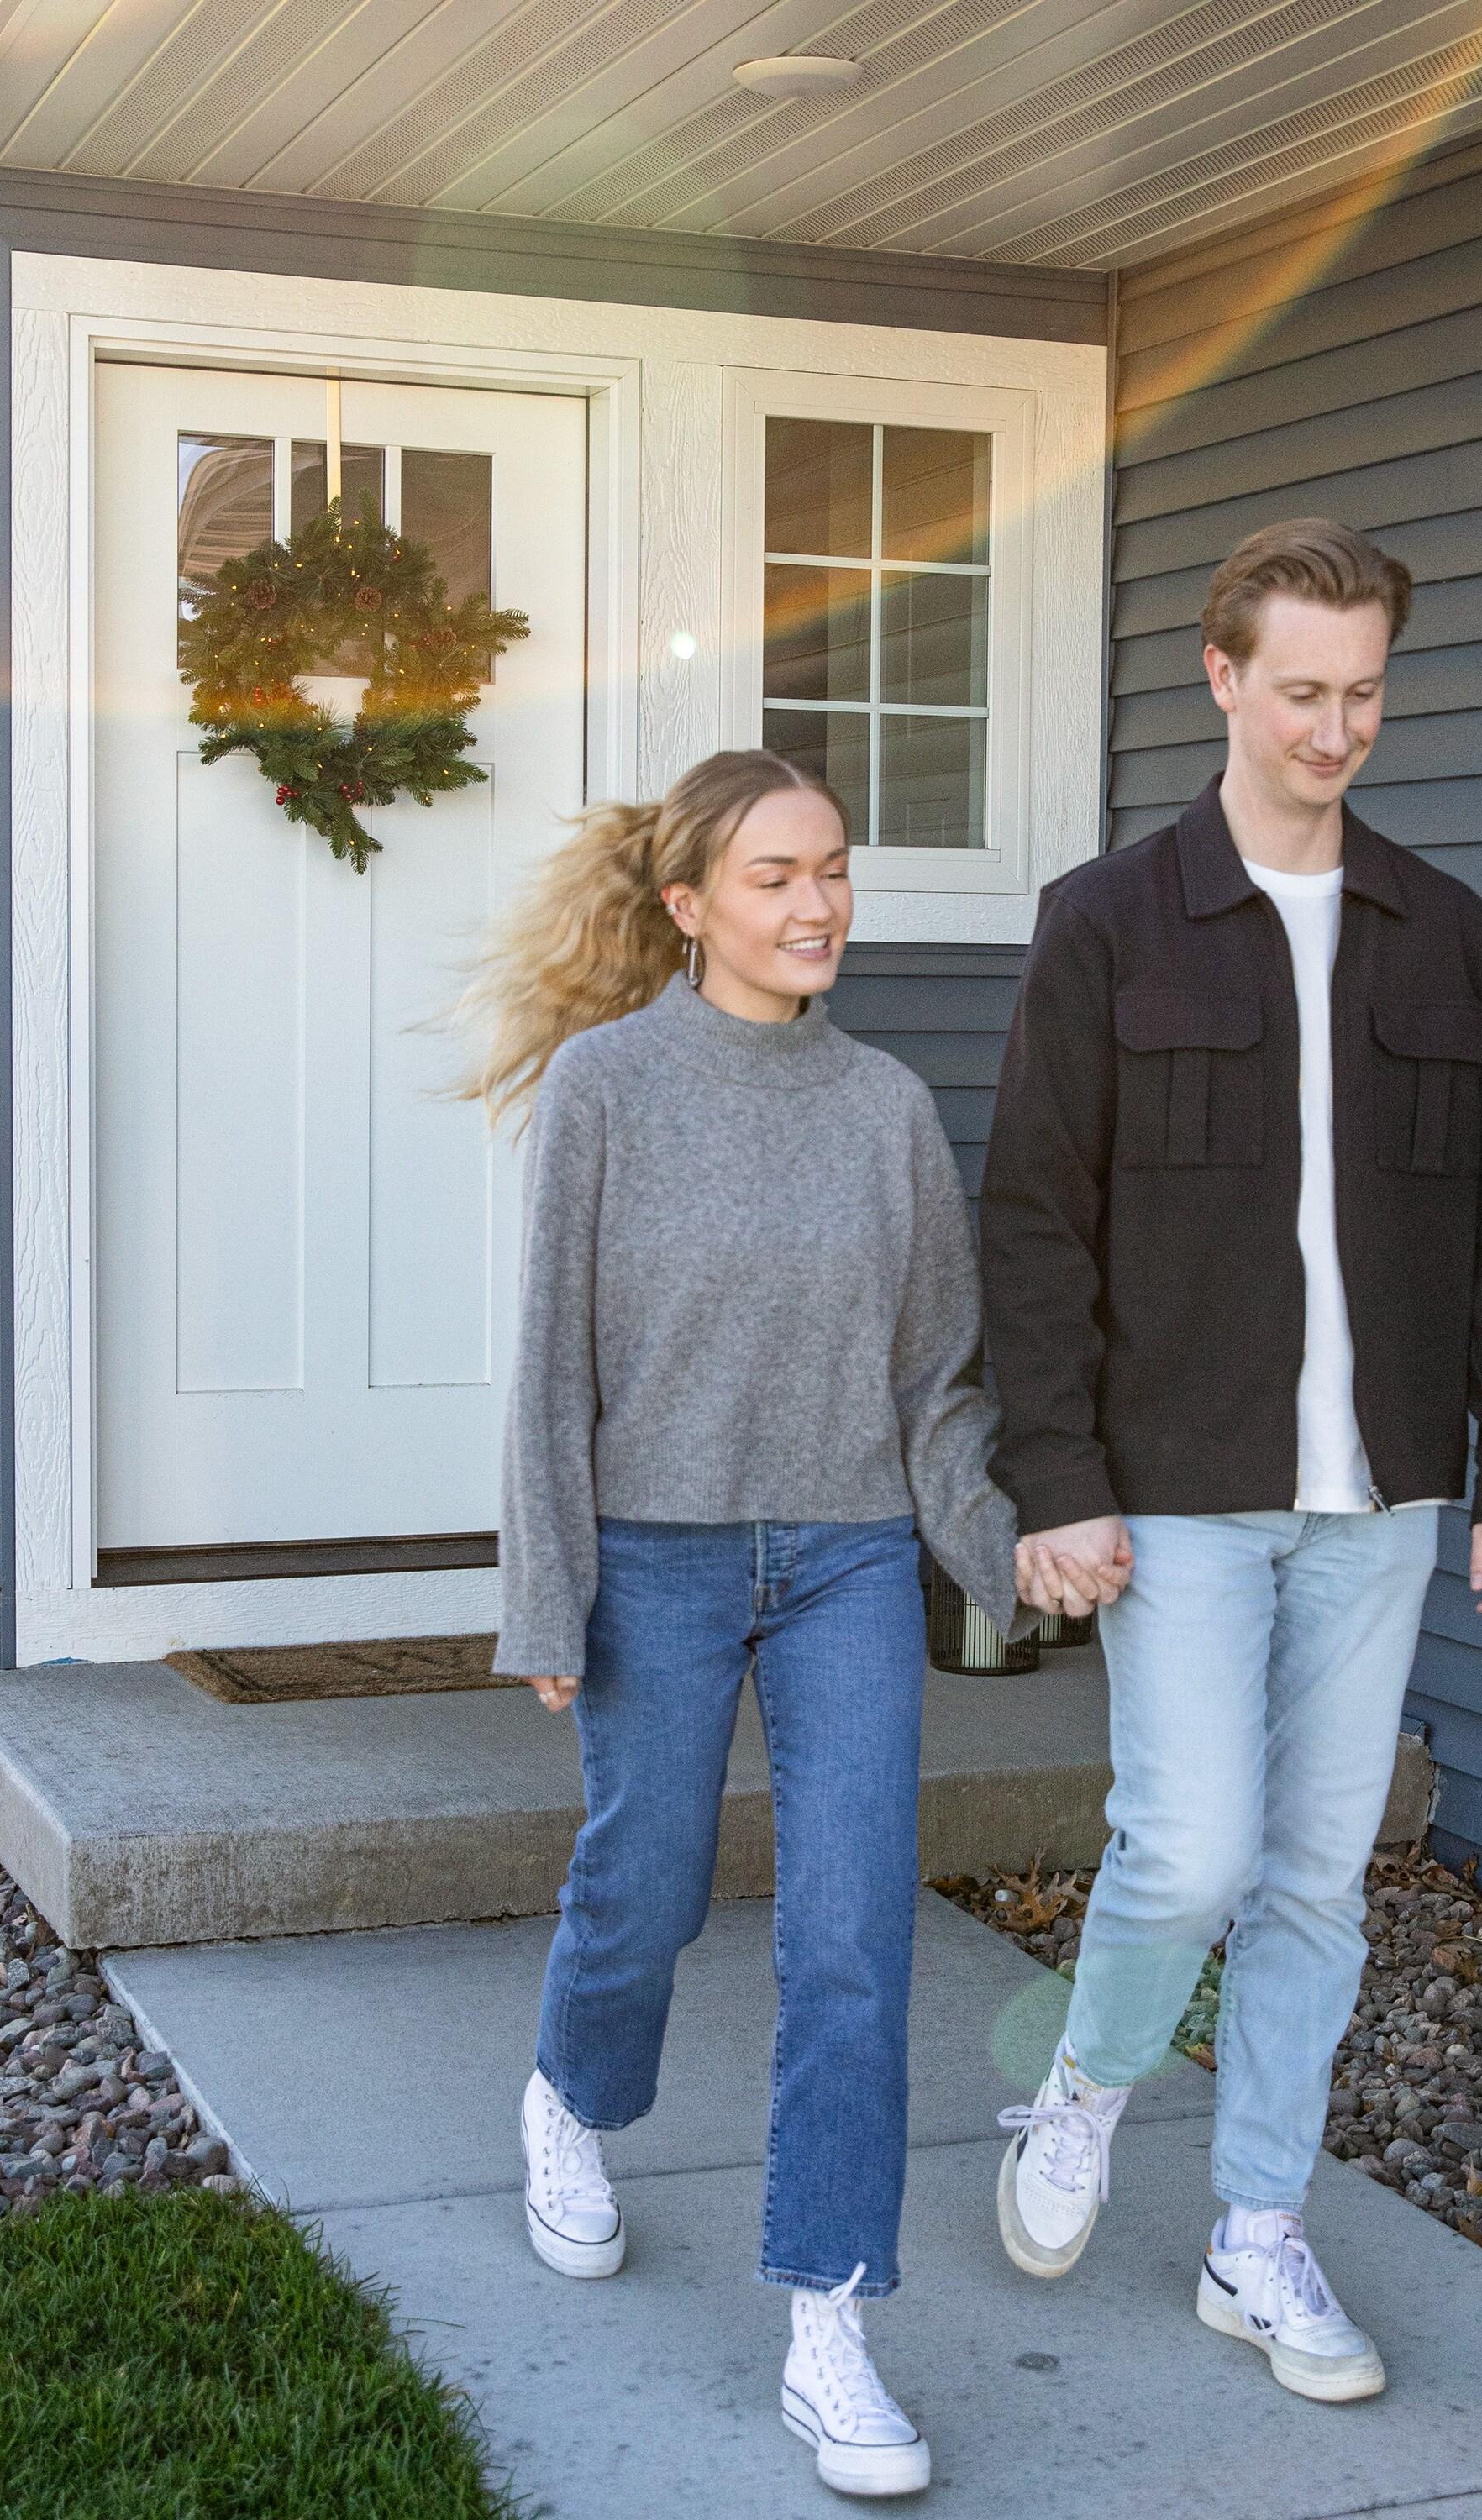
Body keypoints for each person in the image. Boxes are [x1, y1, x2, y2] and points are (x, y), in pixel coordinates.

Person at [982, 518, 1482, 2402]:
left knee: (1318, 1873)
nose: (1334, 729)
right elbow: (1034, 1221)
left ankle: (1258, 2230)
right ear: (1222, 677)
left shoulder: (1448, 931)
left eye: (1364, 693)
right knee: (1191, 1850)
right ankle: (1083, 2086)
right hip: (1178, 1479)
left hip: (1382, 1493)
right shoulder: (1107, 921)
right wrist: (1056, 1475)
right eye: (1301, 690)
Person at [468, 748, 1022, 2501]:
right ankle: (572, 2095)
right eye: (777, 876)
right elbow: (552, 1365)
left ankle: (832, 2318)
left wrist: (1001, 1554)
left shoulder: (886, 1109)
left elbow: (937, 1382)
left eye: (834, 869)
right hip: (661, 1555)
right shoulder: (607, 1088)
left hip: (850, 1556)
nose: (818, 904)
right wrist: (549, 1590)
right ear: (690, 904)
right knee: (646, 1888)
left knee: (855, 1929)